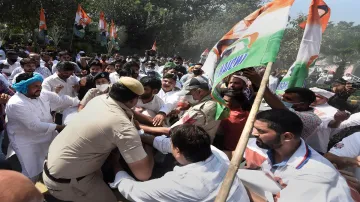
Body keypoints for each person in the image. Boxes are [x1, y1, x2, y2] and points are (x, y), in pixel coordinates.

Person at [43, 77, 154, 202]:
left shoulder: (99, 99)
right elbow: (144, 174)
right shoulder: (122, 127)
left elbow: (126, 115)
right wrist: (149, 146)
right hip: (68, 182)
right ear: (134, 100)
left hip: (57, 167)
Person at [110, 124, 250, 202]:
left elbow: (131, 190)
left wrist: (116, 165)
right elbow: (164, 144)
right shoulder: (216, 153)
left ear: (177, 150)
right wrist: (140, 136)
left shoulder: (180, 184)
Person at [243, 109, 352, 202]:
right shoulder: (270, 146)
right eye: (255, 128)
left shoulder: (314, 176)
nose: (254, 133)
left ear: (287, 136)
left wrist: (241, 188)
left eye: (261, 131)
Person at [6, 72, 79, 182]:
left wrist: (81, 102)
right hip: (27, 142)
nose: (39, 88)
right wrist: (60, 127)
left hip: (48, 135)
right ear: (24, 87)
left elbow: (62, 100)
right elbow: (34, 126)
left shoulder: (42, 94)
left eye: (40, 85)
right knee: (32, 173)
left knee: (55, 162)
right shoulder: (16, 103)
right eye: (35, 86)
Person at [243, 68, 321, 140]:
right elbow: (270, 96)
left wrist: (261, 83)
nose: (283, 100)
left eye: (288, 99)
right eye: (283, 97)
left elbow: (283, 110)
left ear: (303, 104)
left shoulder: (311, 118)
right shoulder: (289, 104)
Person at [141, 77, 220, 142]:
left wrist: (140, 126)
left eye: (188, 94)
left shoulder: (199, 110)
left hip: (190, 146)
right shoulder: (213, 100)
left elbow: (171, 131)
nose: (186, 97)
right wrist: (185, 107)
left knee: (148, 138)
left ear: (199, 92)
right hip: (197, 140)